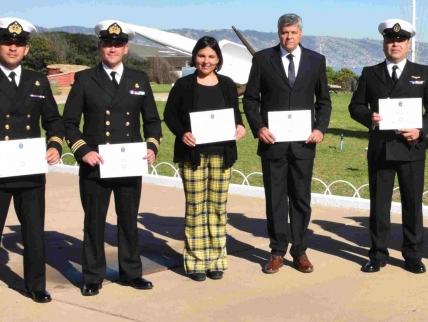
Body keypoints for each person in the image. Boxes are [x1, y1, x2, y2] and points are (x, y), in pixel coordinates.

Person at [62, 20, 162, 296]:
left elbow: (152, 121)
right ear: (99, 47)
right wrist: (83, 150)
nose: (113, 49)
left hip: (129, 162)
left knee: (128, 219)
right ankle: (93, 276)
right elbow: (69, 122)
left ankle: (131, 272)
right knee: (94, 221)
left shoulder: (139, 80)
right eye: (108, 44)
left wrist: (152, 146)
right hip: (96, 162)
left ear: (126, 49)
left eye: (118, 45)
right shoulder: (84, 79)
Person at [348, 19, 428, 274]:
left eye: (400, 41)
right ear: (384, 44)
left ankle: (413, 254)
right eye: (390, 40)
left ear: (408, 45)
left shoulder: (422, 72)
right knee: (379, 206)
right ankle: (378, 254)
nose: (395, 44)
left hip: (411, 148)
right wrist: (369, 117)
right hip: (381, 148)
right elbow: (354, 106)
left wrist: (421, 129)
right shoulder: (370, 73)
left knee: (412, 205)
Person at [242, 13, 331, 274]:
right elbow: (250, 100)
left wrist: (320, 129)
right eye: (284, 32)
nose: (288, 36)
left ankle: (300, 251)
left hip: (304, 143)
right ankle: (277, 251)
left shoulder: (316, 60)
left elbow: (323, 100)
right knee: (276, 199)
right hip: (273, 144)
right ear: (278, 33)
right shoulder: (262, 59)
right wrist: (259, 128)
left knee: (301, 199)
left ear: (300, 33)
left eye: (293, 32)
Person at [164, 36, 246, 282]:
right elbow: (170, 115)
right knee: (196, 208)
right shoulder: (184, 85)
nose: (206, 61)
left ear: (218, 59)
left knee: (218, 209)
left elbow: (235, 113)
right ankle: (196, 261)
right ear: (195, 57)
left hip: (222, 155)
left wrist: (240, 126)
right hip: (193, 156)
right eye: (201, 56)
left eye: (211, 56)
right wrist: (183, 133)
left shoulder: (228, 85)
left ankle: (217, 260)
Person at [0, 18, 64, 303]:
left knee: (34, 231)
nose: (13, 48)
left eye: (19, 44)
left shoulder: (37, 81)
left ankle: (35, 284)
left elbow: (53, 120)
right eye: (7, 43)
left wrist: (54, 145)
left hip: (29, 169)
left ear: (26, 50)